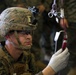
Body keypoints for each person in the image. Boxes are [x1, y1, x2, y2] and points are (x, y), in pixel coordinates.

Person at [0, 7, 69, 75]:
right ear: (8, 36)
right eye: (24, 33)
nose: (29, 37)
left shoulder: (27, 56)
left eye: (30, 32)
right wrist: (50, 69)